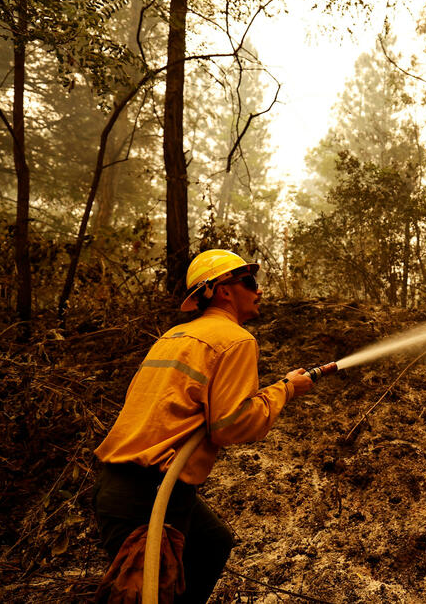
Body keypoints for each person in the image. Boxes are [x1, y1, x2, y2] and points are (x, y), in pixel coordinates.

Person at [92, 249, 316, 603]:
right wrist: (285, 390)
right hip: (151, 494)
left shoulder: (174, 335)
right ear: (224, 290)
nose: (258, 290)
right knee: (149, 596)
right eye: (249, 282)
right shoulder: (235, 339)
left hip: (119, 486)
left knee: (211, 542)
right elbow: (230, 425)